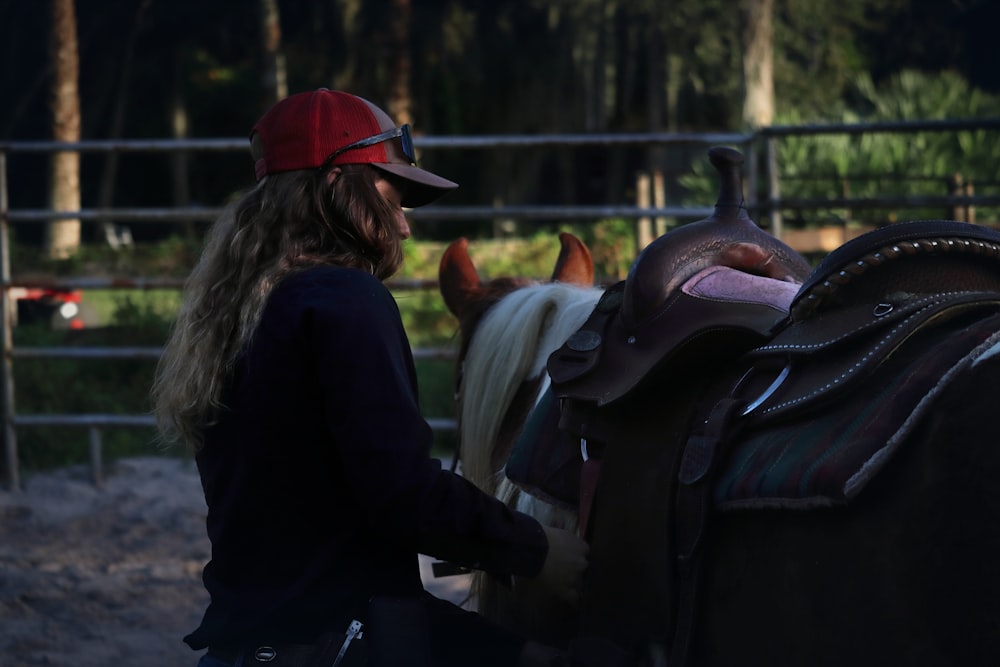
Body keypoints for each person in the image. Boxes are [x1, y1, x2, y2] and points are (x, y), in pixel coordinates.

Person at [151, 88, 589, 667]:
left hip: (264, 640)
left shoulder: (243, 315)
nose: (404, 227)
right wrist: (537, 550)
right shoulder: (344, 297)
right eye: (393, 197)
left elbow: (335, 539)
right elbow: (402, 491)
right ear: (337, 186)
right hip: (337, 646)